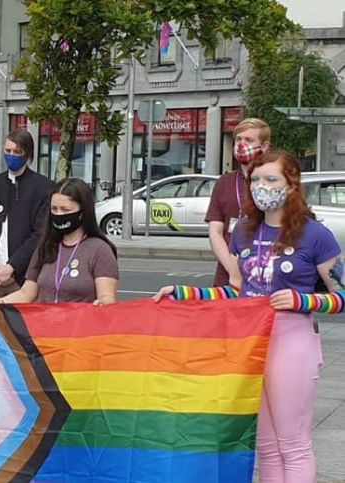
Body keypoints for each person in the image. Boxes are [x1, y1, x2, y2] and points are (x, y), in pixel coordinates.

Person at [154, 150, 342, 483]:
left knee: (293, 443)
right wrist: (185, 293)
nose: (261, 186)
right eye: (256, 179)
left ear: (292, 185)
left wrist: (305, 300)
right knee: (266, 445)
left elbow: (341, 295)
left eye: (271, 179)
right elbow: (236, 291)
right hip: (250, 344)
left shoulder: (315, 235)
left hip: (292, 341)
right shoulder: (243, 231)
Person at [0, 178, 119, 309]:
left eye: (65, 209)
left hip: (79, 333)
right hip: (44, 332)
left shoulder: (100, 250)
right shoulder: (46, 246)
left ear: (83, 211)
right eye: (54, 209)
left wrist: (102, 303)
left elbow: (107, 297)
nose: (59, 214)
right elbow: (26, 294)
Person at [0, 129, 54, 301]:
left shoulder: (43, 188)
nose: (11, 156)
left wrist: (12, 267)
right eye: (8, 151)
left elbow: (39, 235)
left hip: (23, 280)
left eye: (17, 152)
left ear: (28, 154)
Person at [206, 118, 271, 286]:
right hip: (227, 276)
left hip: (265, 272)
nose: (242, 144)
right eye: (238, 139)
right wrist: (232, 268)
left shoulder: (276, 182)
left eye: (249, 140)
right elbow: (215, 232)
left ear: (264, 146)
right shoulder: (224, 182)